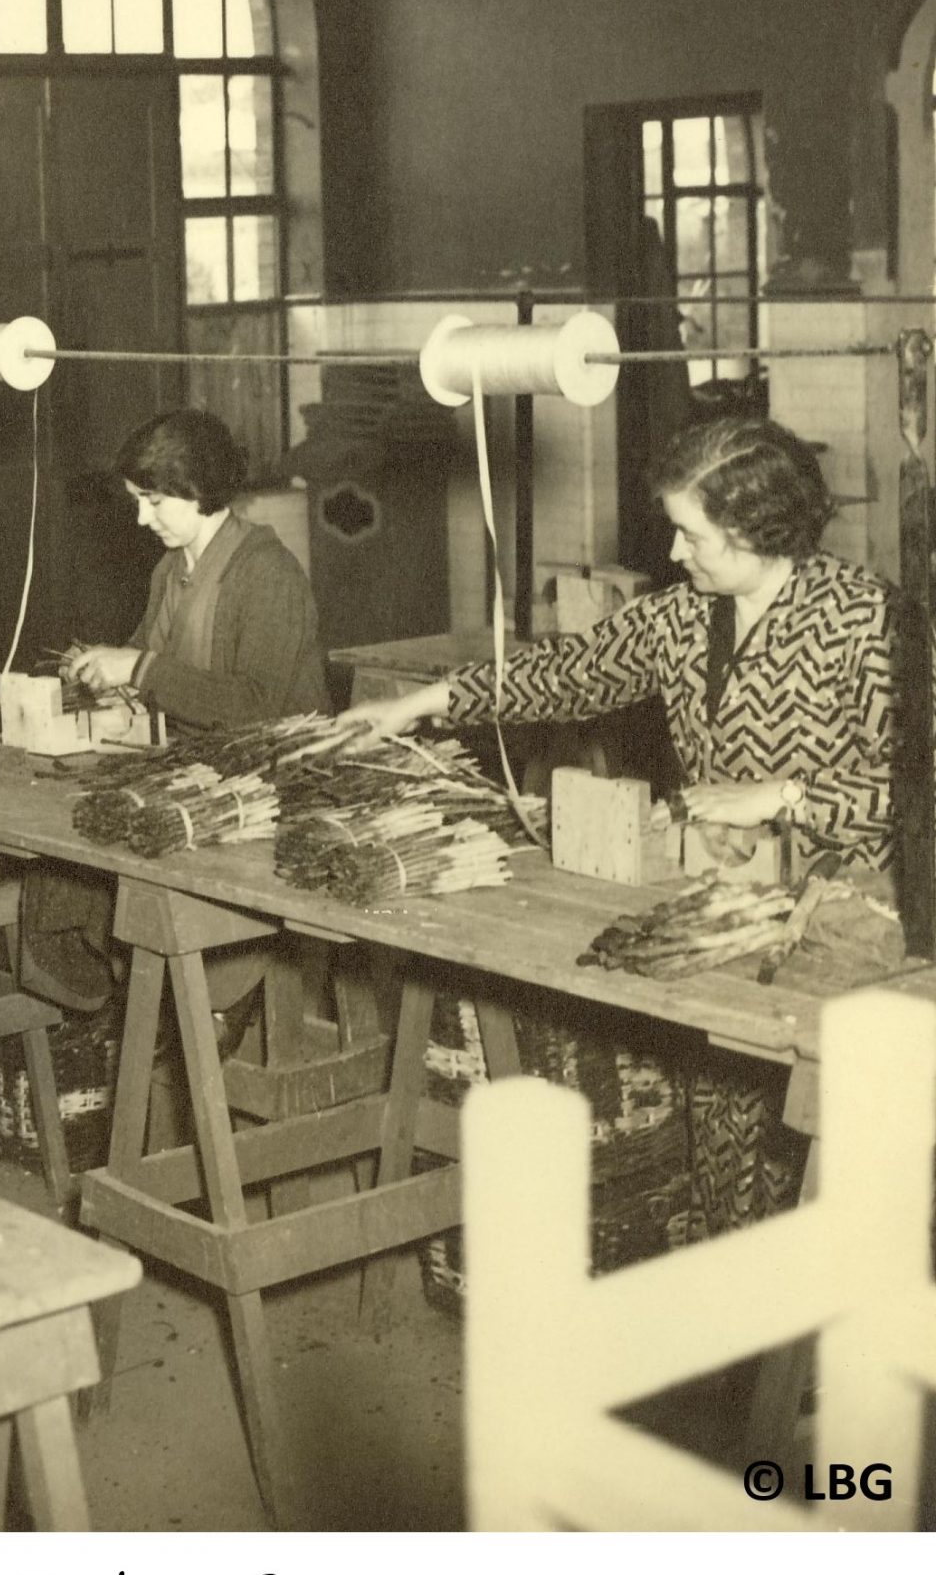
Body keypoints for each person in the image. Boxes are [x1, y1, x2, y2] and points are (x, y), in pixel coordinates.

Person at [341, 413, 893, 1234]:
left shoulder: (866, 619)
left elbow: (910, 791)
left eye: (689, 534)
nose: (674, 553)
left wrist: (785, 795)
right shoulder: (679, 618)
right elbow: (567, 673)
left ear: (753, 528)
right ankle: (749, 1311)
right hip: (730, 918)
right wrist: (426, 701)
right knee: (725, 1116)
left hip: (857, 931)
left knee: (822, 1149)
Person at [60, 409, 326, 729]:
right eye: (137, 502)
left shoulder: (269, 574)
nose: (142, 518)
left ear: (197, 488)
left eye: (154, 501)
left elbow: (257, 706)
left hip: (283, 761)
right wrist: (98, 666)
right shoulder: (170, 568)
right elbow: (146, 658)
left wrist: (135, 668)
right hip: (205, 757)